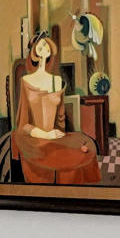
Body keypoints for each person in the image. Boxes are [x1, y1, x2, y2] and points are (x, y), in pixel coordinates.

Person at [10, 34, 100, 185]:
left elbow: (60, 118)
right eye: (40, 45)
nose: (43, 47)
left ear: (51, 51)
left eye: (46, 45)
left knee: (86, 147)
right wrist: (46, 135)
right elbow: (23, 125)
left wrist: (58, 136)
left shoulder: (57, 81)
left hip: (55, 135)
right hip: (34, 140)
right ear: (34, 52)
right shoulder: (25, 81)